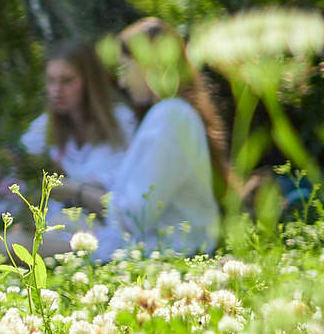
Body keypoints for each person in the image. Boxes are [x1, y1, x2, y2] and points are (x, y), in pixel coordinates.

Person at [68, 17, 229, 257]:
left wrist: (77, 191)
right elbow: (137, 191)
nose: (122, 82)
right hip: (162, 253)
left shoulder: (171, 116)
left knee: (19, 246)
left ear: (148, 63)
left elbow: (137, 215)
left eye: (125, 69)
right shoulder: (171, 113)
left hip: (172, 257)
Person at [21, 40, 136, 190]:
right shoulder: (44, 128)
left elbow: (133, 180)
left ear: (89, 81)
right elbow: (23, 167)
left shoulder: (120, 121)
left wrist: (75, 188)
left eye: (66, 80)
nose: (57, 90)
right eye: (51, 81)